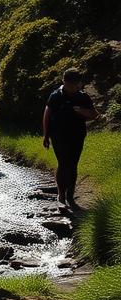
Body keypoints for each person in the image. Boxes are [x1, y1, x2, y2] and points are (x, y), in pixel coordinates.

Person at [43, 68, 99, 210]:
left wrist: (82, 111)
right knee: (63, 163)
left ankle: (70, 196)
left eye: (75, 85)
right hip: (58, 136)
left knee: (73, 165)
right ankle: (61, 196)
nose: (72, 87)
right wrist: (46, 135)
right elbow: (47, 115)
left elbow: (94, 114)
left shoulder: (83, 97)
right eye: (70, 84)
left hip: (77, 136)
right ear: (64, 81)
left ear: (79, 83)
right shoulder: (55, 96)